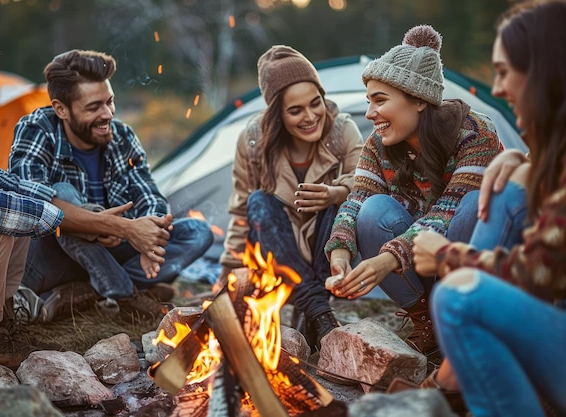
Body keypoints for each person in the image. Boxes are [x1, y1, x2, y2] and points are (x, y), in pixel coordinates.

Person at [0, 30, 168, 370]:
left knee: (193, 234)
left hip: (103, 243)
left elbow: (5, 183)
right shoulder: (37, 127)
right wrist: (90, 222)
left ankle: (2, 328)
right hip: (56, 250)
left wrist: (126, 226)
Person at [412, 2, 566, 416]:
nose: (496, 88)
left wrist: (444, 256)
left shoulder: (473, 129)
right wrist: (524, 161)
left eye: (502, 72)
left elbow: (536, 275)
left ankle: (453, 376)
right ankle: (457, 374)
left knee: (457, 297)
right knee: (508, 189)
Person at [324, 25, 503, 356]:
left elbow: (448, 213)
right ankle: (430, 323)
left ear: (418, 100)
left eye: (380, 100)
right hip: (417, 259)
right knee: (372, 210)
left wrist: (386, 260)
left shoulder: (476, 135)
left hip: (470, 261)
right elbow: (356, 200)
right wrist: (340, 254)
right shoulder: (380, 144)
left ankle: (463, 319)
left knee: (475, 205)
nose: (369, 113)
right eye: (368, 101)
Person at [8, 50, 213, 322]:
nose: (108, 115)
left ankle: (86, 292)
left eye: (110, 102)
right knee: (62, 195)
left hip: (110, 252)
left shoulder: (123, 135)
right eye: (94, 107)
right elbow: (33, 204)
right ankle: (126, 294)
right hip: (48, 259)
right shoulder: (37, 128)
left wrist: (148, 238)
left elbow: (149, 194)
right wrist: (112, 226)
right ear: (61, 109)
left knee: (197, 232)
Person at [218, 45, 364, 350]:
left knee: (344, 203)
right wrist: (229, 270)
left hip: (331, 246)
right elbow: (242, 209)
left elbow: (367, 186)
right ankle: (320, 315)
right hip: (276, 246)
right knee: (259, 200)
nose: (311, 117)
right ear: (277, 114)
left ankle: (311, 309)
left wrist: (335, 193)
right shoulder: (254, 141)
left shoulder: (343, 131)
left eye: (316, 103)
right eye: (296, 110)